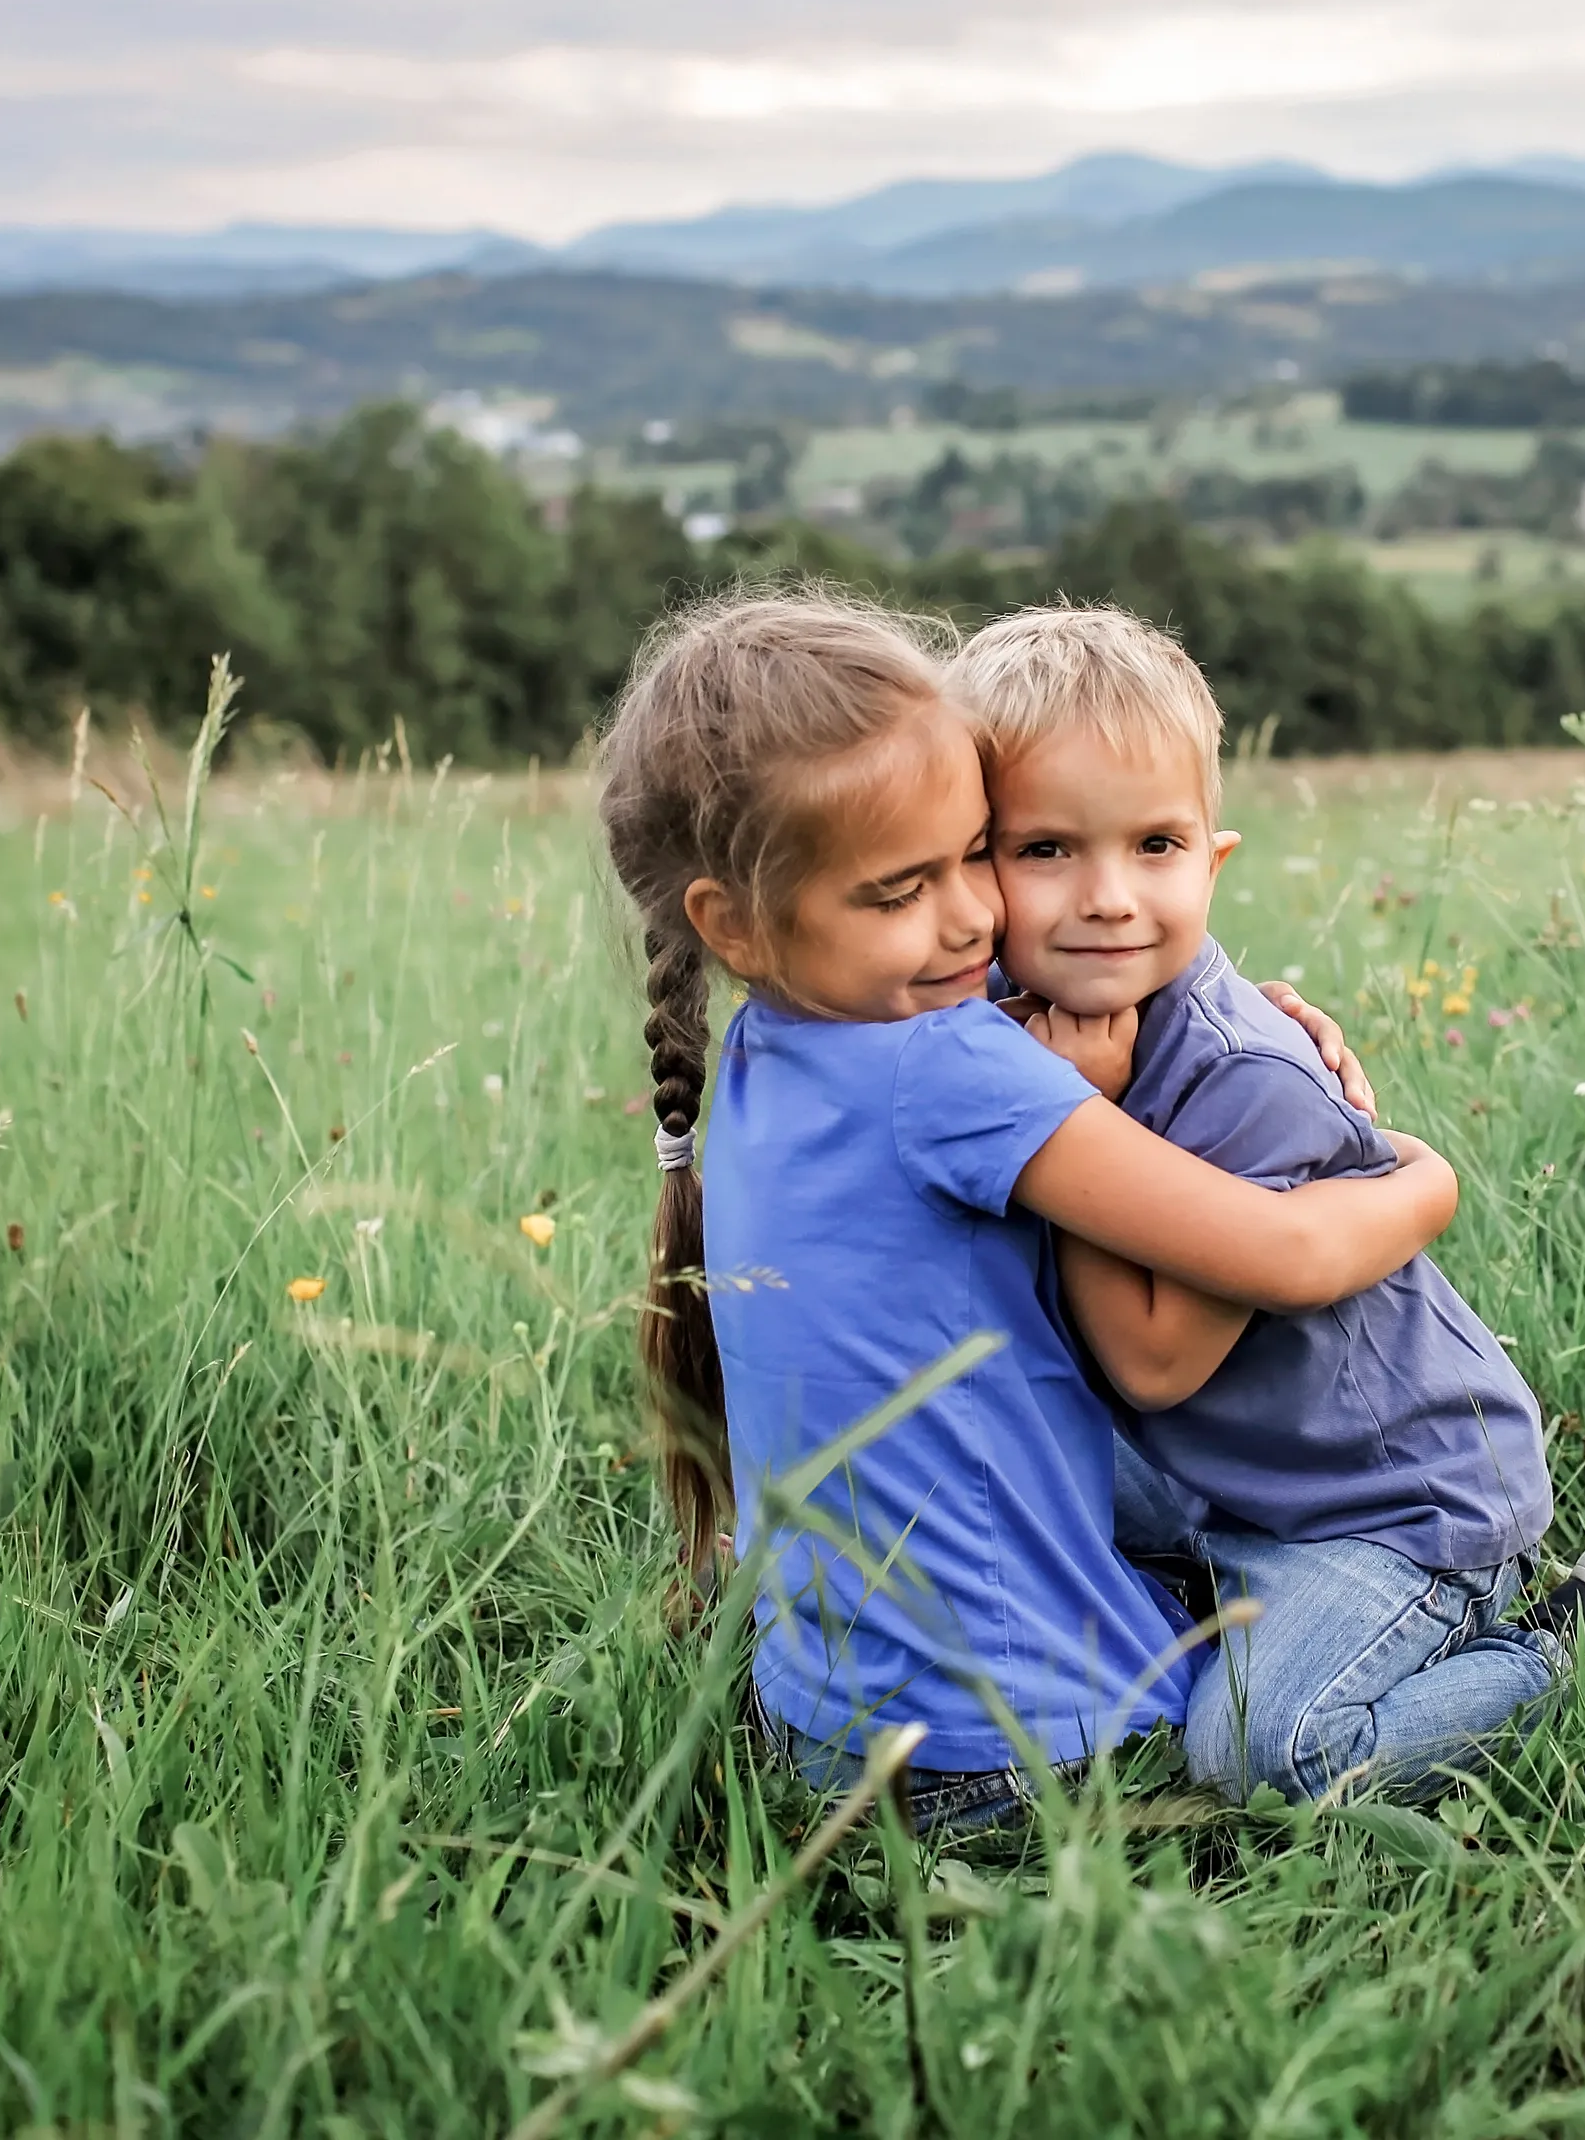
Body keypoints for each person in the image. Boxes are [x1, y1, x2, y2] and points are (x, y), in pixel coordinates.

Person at [593, 585, 1467, 1838]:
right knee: (1257, 1745)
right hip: (1005, 1753)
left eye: (974, 854)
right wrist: (1423, 1176)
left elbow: (1037, 962)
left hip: (813, 1717)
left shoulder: (757, 1042)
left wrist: (1247, 1018)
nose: (973, 919)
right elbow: (1281, 1254)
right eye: (905, 888)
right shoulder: (954, 1063)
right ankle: (1563, 1638)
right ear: (734, 922)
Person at [947, 604, 1585, 1808]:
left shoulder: (1244, 1077)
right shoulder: (999, 1002)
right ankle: (1185, 1592)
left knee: (1262, 1751)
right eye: (1045, 849)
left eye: (1156, 844)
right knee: (978, 1462)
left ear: (1213, 860)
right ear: (973, 868)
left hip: (1382, 1501)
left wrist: (1079, 1120)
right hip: (1221, 1473)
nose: (1109, 896)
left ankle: (1570, 1647)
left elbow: (1154, 1364)